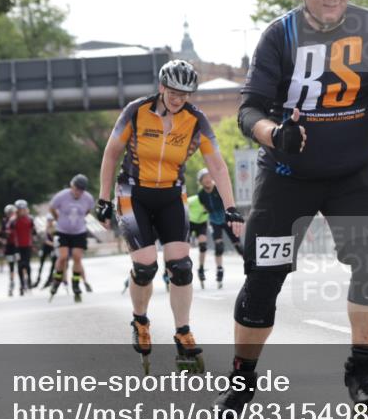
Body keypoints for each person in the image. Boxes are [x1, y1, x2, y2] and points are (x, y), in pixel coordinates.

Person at [212, 0, 368, 419]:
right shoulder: (278, 37)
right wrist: (275, 133)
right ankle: (242, 381)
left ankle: (361, 369)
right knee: (263, 280)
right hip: (288, 178)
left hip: (354, 174)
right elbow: (249, 109)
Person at [94, 59, 244, 372]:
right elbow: (111, 154)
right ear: (162, 87)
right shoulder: (137, 111)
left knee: (181, 266)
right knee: (146, 265)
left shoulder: (196, 120)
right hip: (133, 193)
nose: (178, 99)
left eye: (185, 94)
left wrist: (231, 207)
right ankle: (140, 320)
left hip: (171, 194)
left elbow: (216, 165)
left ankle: (183, 331)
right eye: (173, 92)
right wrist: (103, 198)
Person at [47, 174, 95, 303]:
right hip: (63, 231)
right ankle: (57, 279)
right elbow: (51, 208)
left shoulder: (88, 198)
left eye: (81, 190)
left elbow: (87, 211)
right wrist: (57, 218)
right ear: (71, 186)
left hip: (79, 231)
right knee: (62, 257)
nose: (78, 192)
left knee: (77, 257)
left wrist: (80, 219)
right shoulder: (62, 196)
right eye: (76, 188)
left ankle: (75, 284)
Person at [196, 168, 243, 288]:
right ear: (200, 182)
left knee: (238, 246)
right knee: (219, 246)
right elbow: (205, 208)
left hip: (225, 219)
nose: (207, 180)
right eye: (204, 179)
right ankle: (220, 270)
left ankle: (250, 266)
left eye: (208, 177)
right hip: (214, 221)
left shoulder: (219, 188)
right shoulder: (201, 194)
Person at [187, 179, 209, 288]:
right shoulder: (194, 199)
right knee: (184, 246)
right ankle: (183, 265)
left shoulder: (211, 202)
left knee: (203, 246)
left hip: (201, 223)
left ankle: (201, 268)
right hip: (190, 222)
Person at [11, 199, 34, 296]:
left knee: (27, 264)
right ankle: (21, 284)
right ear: (17, 210)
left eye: (24, 209)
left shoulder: (29, 219)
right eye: (20, 209)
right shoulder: (13, 220)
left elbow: (34, 230)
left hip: (27, 245)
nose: (22, 211)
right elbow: (10, 230)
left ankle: (29, 280)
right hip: (17, 247)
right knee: (20, 265)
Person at [33, 214, 57, 288]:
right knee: (41, 262)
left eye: (51, 220)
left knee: (54, 263)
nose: (50, 222)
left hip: (53, 247)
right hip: (47, 247)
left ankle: (50, 278)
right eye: (49, 221)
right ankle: (38, 278)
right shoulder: (45, 228)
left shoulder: (55, 228)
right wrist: (52, 244)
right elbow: (45, 239)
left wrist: (54, 244)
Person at [1, 204, 18, 290]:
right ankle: (11, 281)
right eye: (8, 213)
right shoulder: (4, 221)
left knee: (21, 263)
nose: (10, 214)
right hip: (9, 245)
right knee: (11, 264)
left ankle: (24, 280)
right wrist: (3, 240)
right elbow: (2, 234)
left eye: (11, 212)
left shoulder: (17, 220)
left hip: (17, 245)